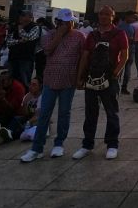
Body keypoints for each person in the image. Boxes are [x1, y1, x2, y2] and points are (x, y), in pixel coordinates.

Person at [21, 8, 85, 162]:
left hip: (68, 80)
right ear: (58, 22)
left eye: (70, 22)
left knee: (64, 113)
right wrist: (59, 34)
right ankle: (37, 148)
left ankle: (59, 144)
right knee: (44, 114)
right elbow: (47, 50)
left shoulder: (79, 36)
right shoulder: (48, 35)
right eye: (64, 22)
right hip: (50, 80)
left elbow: (84, 56)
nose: (68, 25)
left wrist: (80, 77)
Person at [72, 5, 129, 160]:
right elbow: (85, 56)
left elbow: (125, 55)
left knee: (111, 112)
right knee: (90, 112)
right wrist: (79, 77)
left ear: (113, 16)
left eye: (107, 14)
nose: (103, 16)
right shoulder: (92, 35)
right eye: (101, 14)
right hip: (91, 78)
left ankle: (112, 145)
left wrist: (116, 72)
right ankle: (87, 144)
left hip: (109, 79)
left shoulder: (119, 33)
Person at [6, 11, 41, 87]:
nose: (20, 17)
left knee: (24, 82)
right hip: (13, 57)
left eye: (23, 15)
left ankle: (24, 98)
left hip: (26, 59)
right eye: (21, 15)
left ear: (30, 18)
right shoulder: (14, 26)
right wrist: (19, 41)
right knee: (11, 81)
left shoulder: (35, 27)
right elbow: (8, 42)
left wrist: (21, 30)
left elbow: (29, 37)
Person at [18, 78, 44, 142]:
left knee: (22, 129)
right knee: (16, 119)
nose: (31, 87)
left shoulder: (42, 97)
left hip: (36, 122)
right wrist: (25, 103)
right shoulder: (28, 96)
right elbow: (25, 113)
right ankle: (10, 132)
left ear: (40, 86)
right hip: (29, 119)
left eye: (34, 85)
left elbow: (38, 115)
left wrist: (28, 122)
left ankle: (11, 133)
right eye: (30, 84)